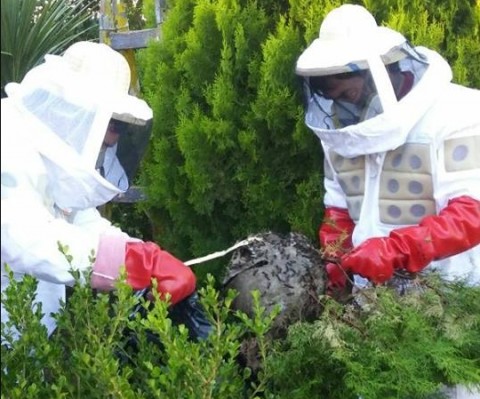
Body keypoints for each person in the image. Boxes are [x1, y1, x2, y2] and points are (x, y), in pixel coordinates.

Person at [296, 5, 479, 398]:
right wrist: (335, 257)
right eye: (334, 98)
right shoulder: (344, 134)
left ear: (383, 71)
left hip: (455, 303)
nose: (344, 107)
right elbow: (340, 211)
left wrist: (398, 250)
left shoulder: (459, 113)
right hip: (375, 311)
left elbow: (472, 213)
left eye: (350, 94)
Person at [1, 41, 208, 341]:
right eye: (115, 124)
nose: (113, 139)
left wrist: (143, 255)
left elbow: (82, 222)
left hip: (25, 344)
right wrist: (136, 263)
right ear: (78, 110)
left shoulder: (53, 153)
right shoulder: (8, 142)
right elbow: (24, 239)